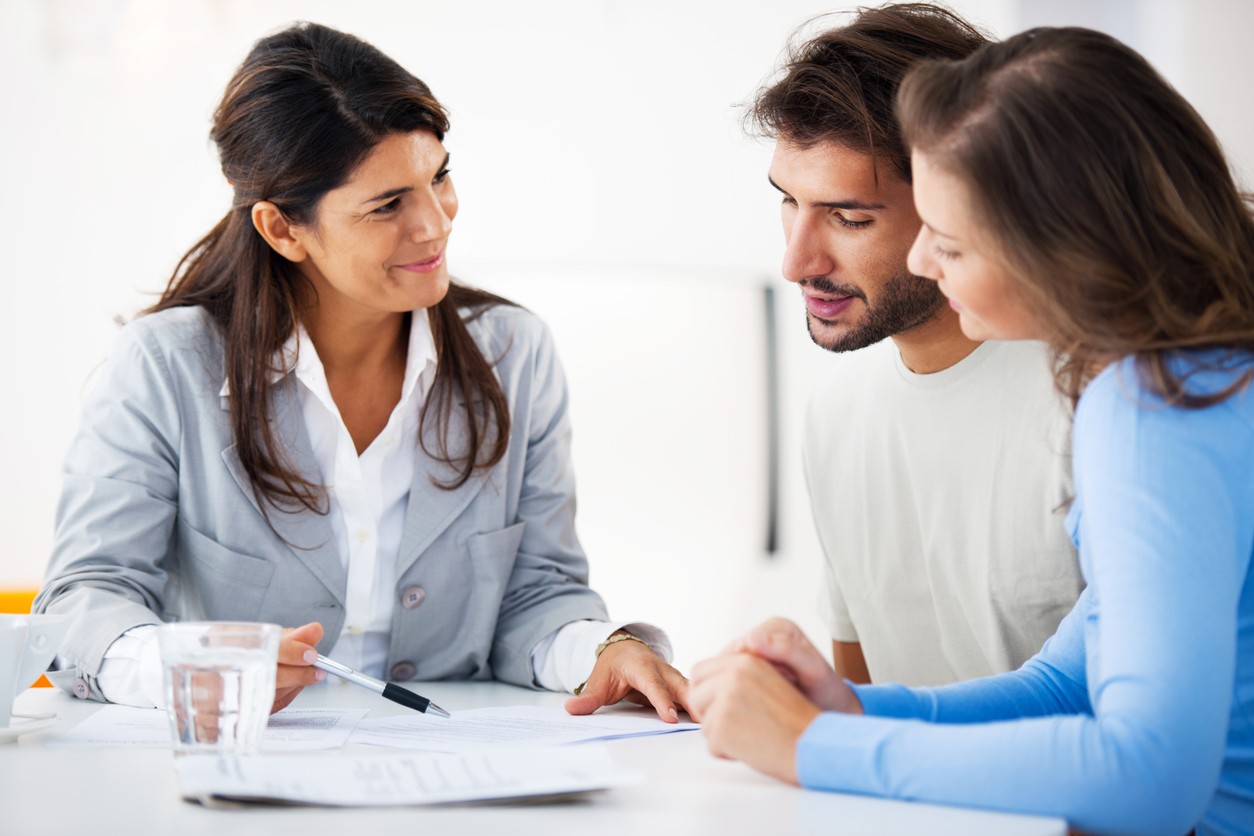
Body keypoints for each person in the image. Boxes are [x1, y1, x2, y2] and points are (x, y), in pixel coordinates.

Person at [34, 21, 689, 722]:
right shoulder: (163, 367)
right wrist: (197, 662)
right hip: (246, 767)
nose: (435, 225)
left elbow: (536, 599)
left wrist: (604, 649)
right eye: (387, 205)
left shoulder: (514, 353)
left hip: (461, 761)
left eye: (438, 177)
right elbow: (81, 601)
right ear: (283, 229)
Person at [691, 25, 1254, 835]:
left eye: (949, 241)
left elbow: (1149, 778)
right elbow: (1069, 681)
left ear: (1056, 245)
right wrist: (851, 711)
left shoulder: (1150, 406)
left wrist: (815, 749)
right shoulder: (1184, 375)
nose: (925, 261)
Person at [750, 3, 1081, 685]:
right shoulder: (838, 412)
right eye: (788, 201)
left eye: (848, 217)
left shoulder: (1098, 394)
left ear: (959, 200)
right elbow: (859, 699)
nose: (797, 261)